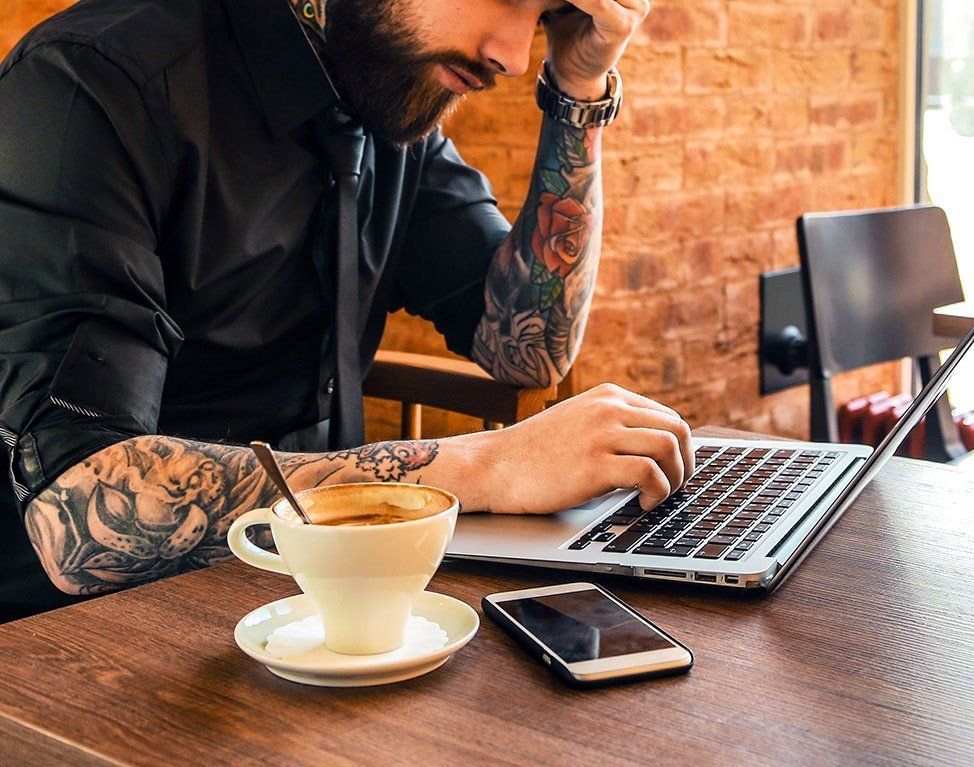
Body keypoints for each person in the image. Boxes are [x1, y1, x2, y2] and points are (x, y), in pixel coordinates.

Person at [0, 0, 695, 622]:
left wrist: (578, 88)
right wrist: (490, 465)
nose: (514, 57)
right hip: (74, 642)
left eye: (543, 17)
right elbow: (79, 513)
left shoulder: (389, 103)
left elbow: (529, 346)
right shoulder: (92, 83)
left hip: (316, 599)